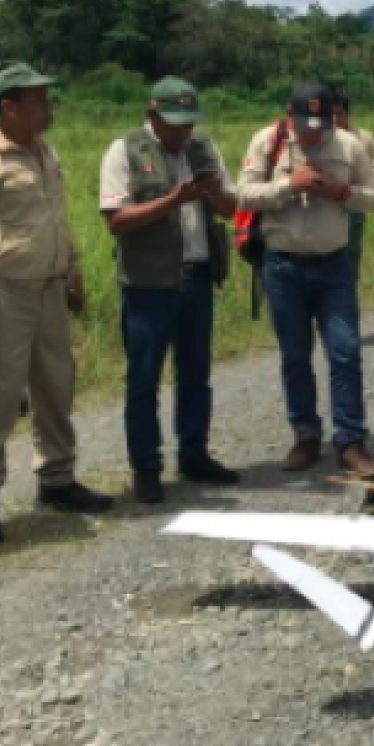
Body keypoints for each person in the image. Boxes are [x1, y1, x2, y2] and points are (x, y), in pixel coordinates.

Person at [0, 63, 113, 546]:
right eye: (38, 99)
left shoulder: (45, 152)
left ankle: (57, 480)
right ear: (9, 107)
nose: (48, 106)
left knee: (56, 386)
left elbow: (55, 217)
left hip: (49, 289)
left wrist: (73, 269)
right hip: (4, 292)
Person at [99, 77, 239, 504]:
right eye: (174, 124)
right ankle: (146, 467)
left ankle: (193, 454)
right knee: (144, 378)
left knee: (196, 373)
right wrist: (171, 201)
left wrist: (212, 193)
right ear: (152, 114)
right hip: (147, 283)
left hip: (196, 276)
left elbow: (233, 209)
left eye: (188, 124)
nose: (183, 133)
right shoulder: (124, 151)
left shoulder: (204, 150)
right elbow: (117, 221)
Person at [237, 83, 374, 479]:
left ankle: (351, 442)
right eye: (305, 124)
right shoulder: (267, 143)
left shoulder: (349, 146)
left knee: (345, 351)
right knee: (295, 355)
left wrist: (341, 192)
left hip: (333, 265)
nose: (314, 133)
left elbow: (373, 198)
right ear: (289, 115)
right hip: (282, 266)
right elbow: (244, 195)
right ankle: (305, 435)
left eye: (321, 123)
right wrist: (289, 186)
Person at [332, 91, 374, 283]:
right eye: (330, 114)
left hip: (354, 205)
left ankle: (348, 291)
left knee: (350, 254)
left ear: (347, 114)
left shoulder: (364, 138)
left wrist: (361, 181)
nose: (334, 119)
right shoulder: (319, 139)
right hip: (325, 207)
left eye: (339, 114)